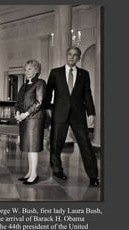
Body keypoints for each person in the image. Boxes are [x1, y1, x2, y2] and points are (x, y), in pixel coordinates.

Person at [44, 47, 99, 187]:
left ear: (79, 58)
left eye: (75, 55)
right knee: (56, 144)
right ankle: (57, 169)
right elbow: (48, 92)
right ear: (66, 55)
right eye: (69, 54)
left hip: (78, 114)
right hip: (59, 113)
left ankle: (93, 176)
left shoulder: (84, 74)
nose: (72, 57)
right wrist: (48, 108)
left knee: (85, 144)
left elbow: (87, 94)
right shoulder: (55, 73)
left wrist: (91, 112)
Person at [15, 59, 46, 185]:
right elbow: (18, 102)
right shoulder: (24, 85)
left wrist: (25, 114)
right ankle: (29, 172)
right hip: (24, 119)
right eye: (26, 69)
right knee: (28, 147)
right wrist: (17, 113)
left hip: (34, 119)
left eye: (30, 69)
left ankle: (34, 174)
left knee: (33, 147)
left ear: (36, 70)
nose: (27, 72)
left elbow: (39, 102)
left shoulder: (40, 83)